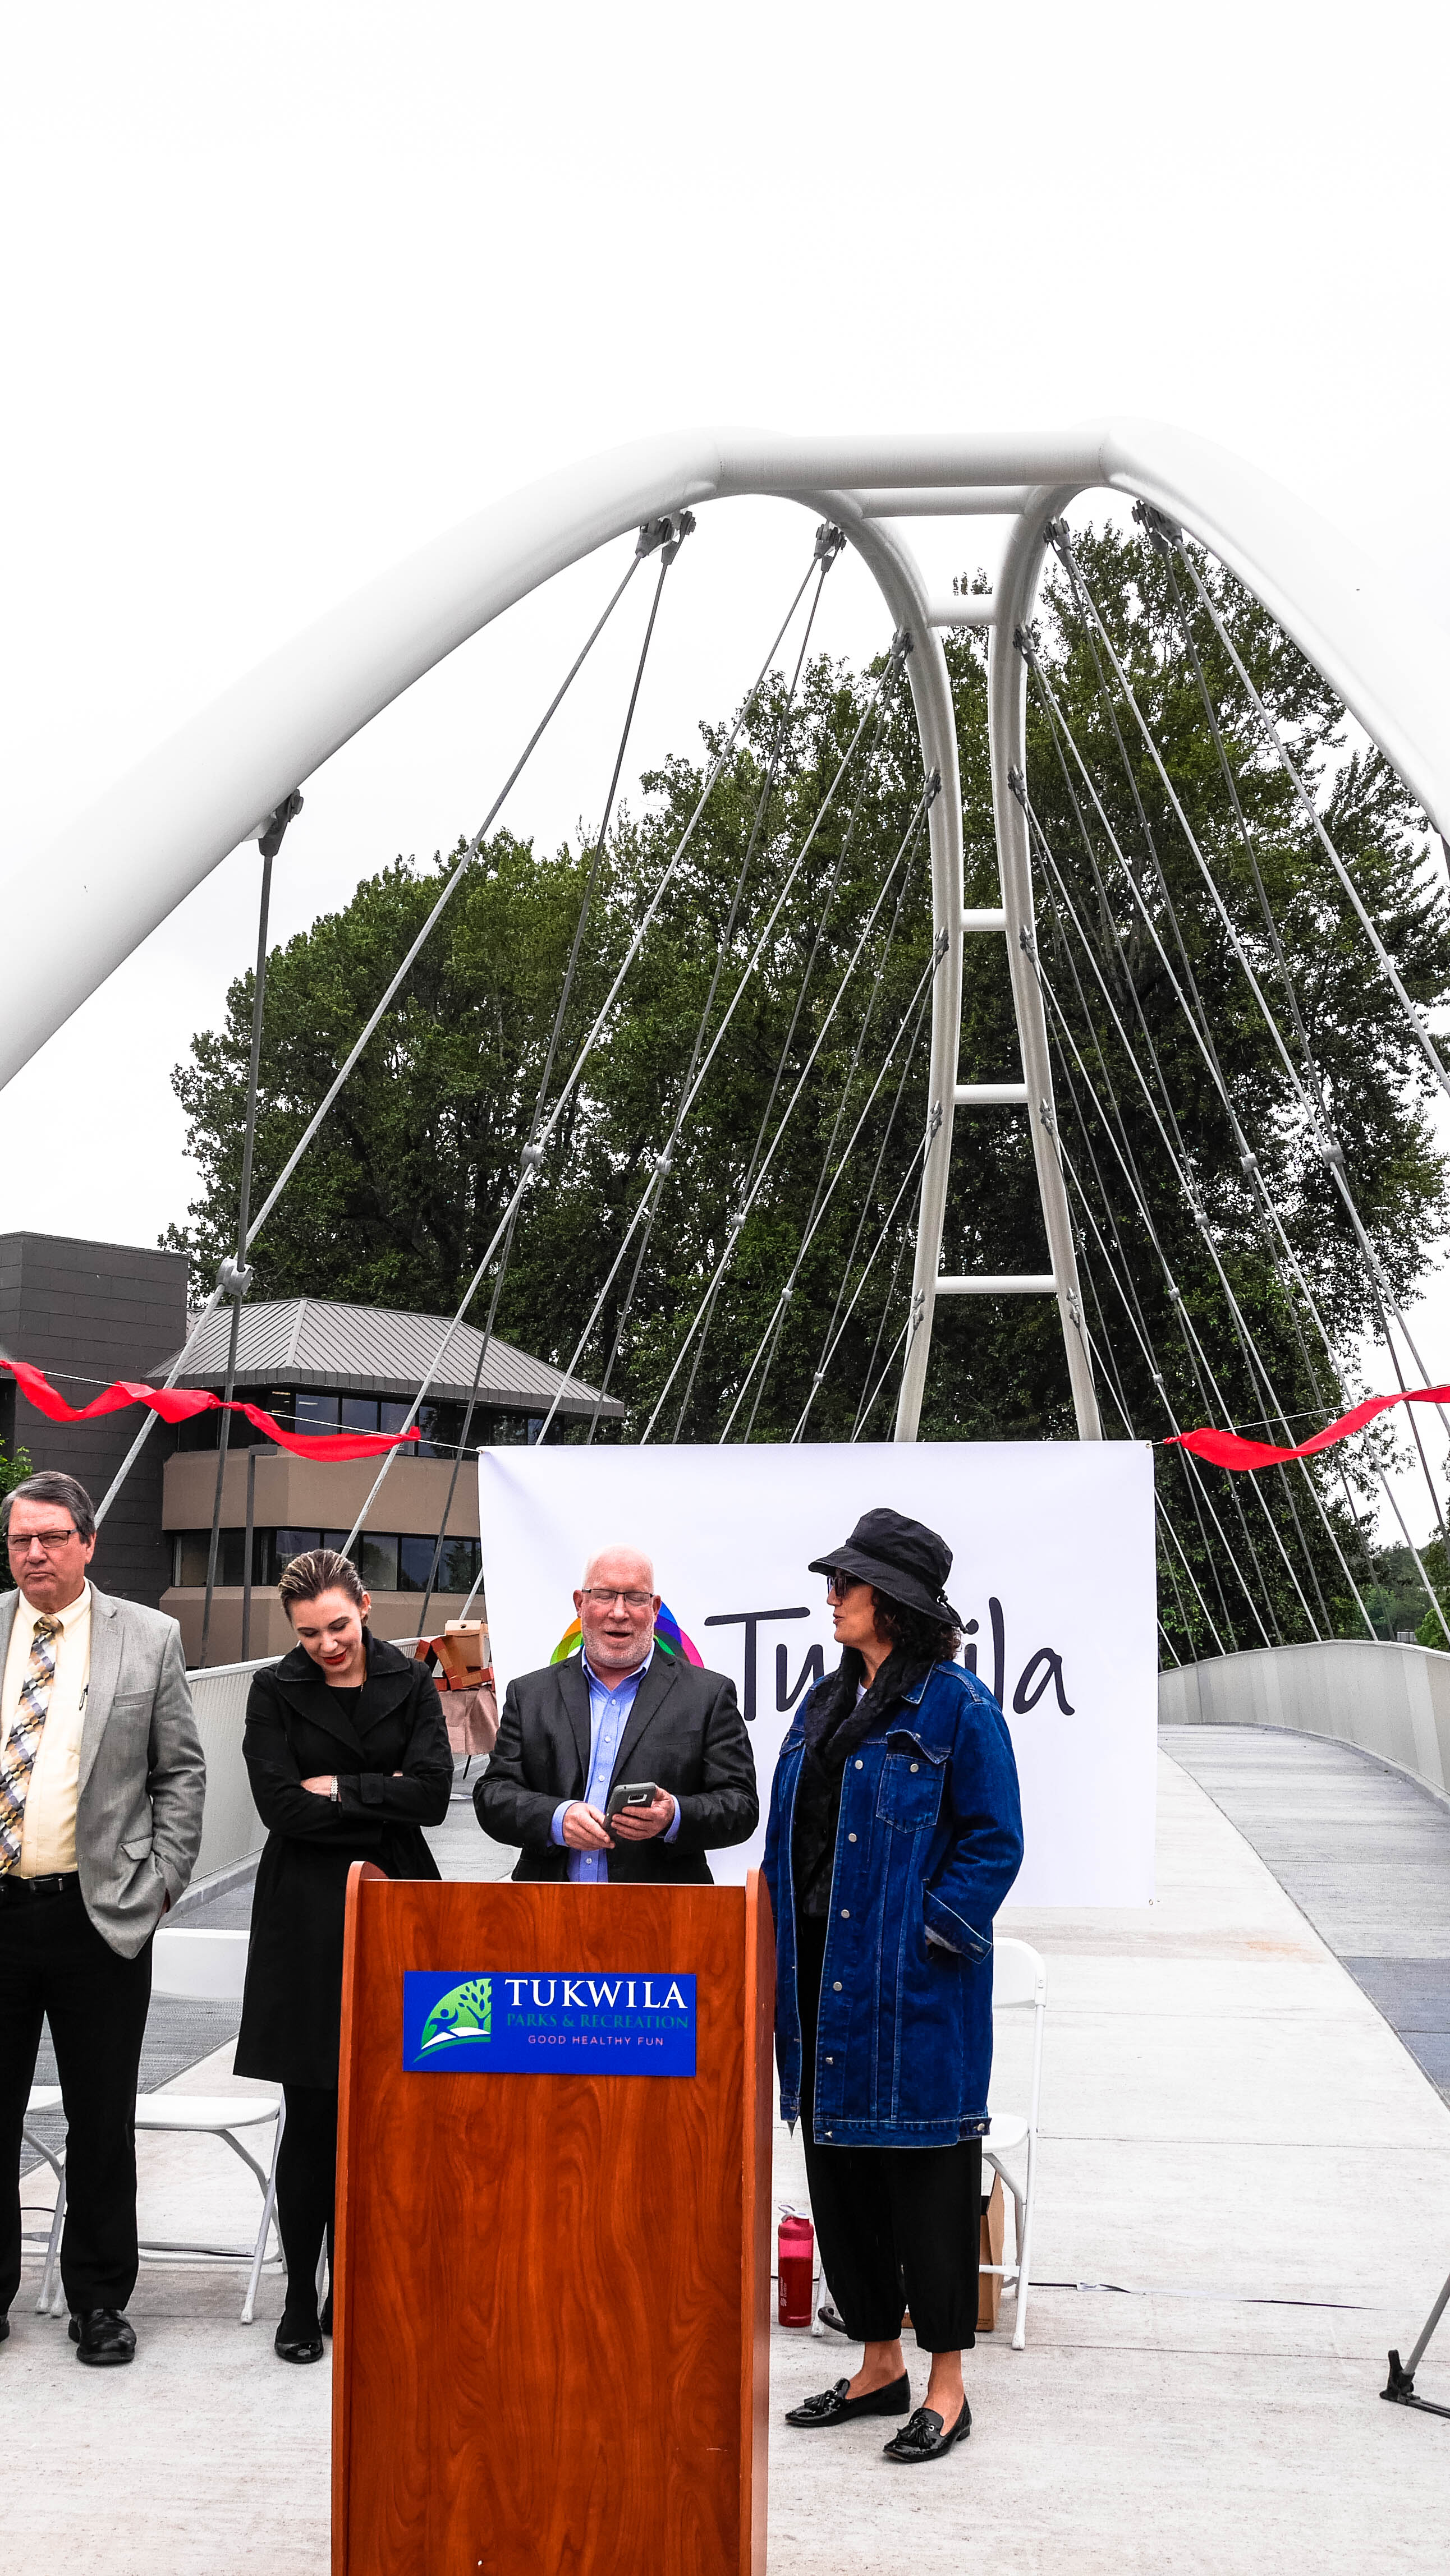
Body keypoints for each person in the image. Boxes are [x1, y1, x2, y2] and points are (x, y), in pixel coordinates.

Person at [763, 1506, 1024, 2466]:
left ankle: (946, 2386)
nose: (830, 1596)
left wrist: (926, 1934)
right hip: (820, 1988)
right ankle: (877, 2365)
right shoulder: (822, 1705)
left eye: (846, 1583)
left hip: (912, 1995)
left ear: (895, 1602)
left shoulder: (954, 1703)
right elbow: (788, 1841)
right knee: (843, 2185)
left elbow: (993, 1841)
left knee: (927, 2189)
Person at [0, 1471, 205, 2367]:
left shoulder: (148, 1638)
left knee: (100, 2118)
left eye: (51, 1538)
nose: (35, 1554)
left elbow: (181, 1775)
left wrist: (158, 1885)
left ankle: (99, 2304)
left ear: (86, 1542)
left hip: (99, 1920)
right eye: (19, 1541)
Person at [234, 1548, 451, 2363]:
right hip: (305, 1915)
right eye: (309, 1633)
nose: (327, 1644)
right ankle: (300, 2296)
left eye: (338, 1626)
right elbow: (279, 1807)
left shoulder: (412, 1678)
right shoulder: (273, 1688)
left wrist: (341, 1788)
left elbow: (431, 1795)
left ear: (364, 1606)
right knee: (313, 2115)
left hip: (400, 1903)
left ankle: (363, 2285)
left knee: (393, 2110)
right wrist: (378, 1793)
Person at [476, 1544, 758, 1882]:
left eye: (635, 1598)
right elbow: (493, 1795)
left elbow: (741, 1806)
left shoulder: (708, 1695)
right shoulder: (530, 1695)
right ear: (581, 1604)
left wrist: (674, 1816)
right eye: (605, 1595)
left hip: (665, 1917)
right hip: (547, 1913)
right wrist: (556, 1818)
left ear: (654, 1609)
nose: (619, 1612)